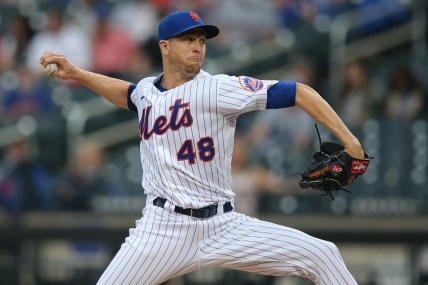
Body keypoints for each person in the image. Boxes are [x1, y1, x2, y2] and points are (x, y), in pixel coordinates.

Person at [40, 10, 365, 285]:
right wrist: (78, 74)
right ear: (165, 47)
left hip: (223, 225)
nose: (197, 47)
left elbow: (300, 92)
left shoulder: (217, 88)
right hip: (162, 228)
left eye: (201, 41)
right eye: (188, 40)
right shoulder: (146, 92)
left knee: (323, 255)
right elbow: (128, 95)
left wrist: (350, 142)